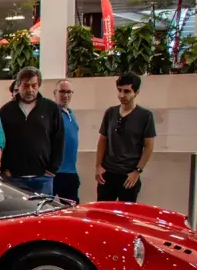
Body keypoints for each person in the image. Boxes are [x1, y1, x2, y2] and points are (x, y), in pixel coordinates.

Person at [0, 67, 63, 196]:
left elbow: (59, 139)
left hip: (43, 178)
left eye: (34, 86)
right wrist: (5, 169)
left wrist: (52, 169)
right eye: (26, 86)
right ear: (18, 85)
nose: (30, 90)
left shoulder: (51, 109)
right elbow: (0, 141)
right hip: (14, 178)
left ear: (39, 85)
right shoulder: (6, 110)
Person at [95, 72, 156, 202]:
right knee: (103, 211)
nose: (122, 95)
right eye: (119, 90)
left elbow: (149, 146)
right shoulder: (110, 112)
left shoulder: (145, 116)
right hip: (107, 173)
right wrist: (98, 166)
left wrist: (137, 171)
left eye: (127, 91)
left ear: (136, 92)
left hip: (128, 175)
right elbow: (102, 140)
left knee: (126, 212)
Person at [53, 80, 81, 202]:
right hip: (54, 173)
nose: (65, 95)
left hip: (70, 172)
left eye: (69, 92)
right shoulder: (52, 113)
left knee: (72, 208)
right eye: (62, 92)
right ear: (55, 93)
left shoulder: (71, 114)